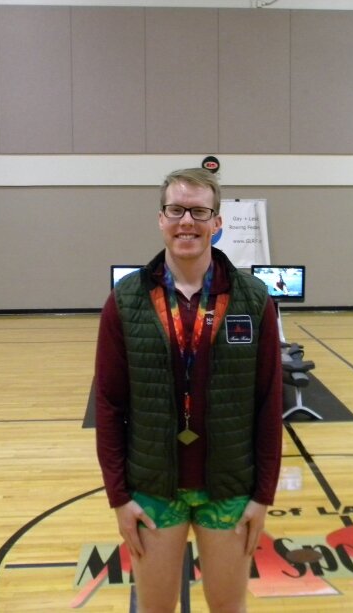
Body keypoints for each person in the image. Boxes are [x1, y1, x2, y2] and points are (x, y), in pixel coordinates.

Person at [94, 168, 284, 613]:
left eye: (199, 212)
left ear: (217, 222)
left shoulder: (254, 299)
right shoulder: (126, 300)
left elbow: (268, 403)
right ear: (160, 218)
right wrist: (119, 496)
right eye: (176, 210)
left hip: (230, 488)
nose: (187, 222)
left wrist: (263, 495)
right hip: (153, 489)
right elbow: (109, 404)